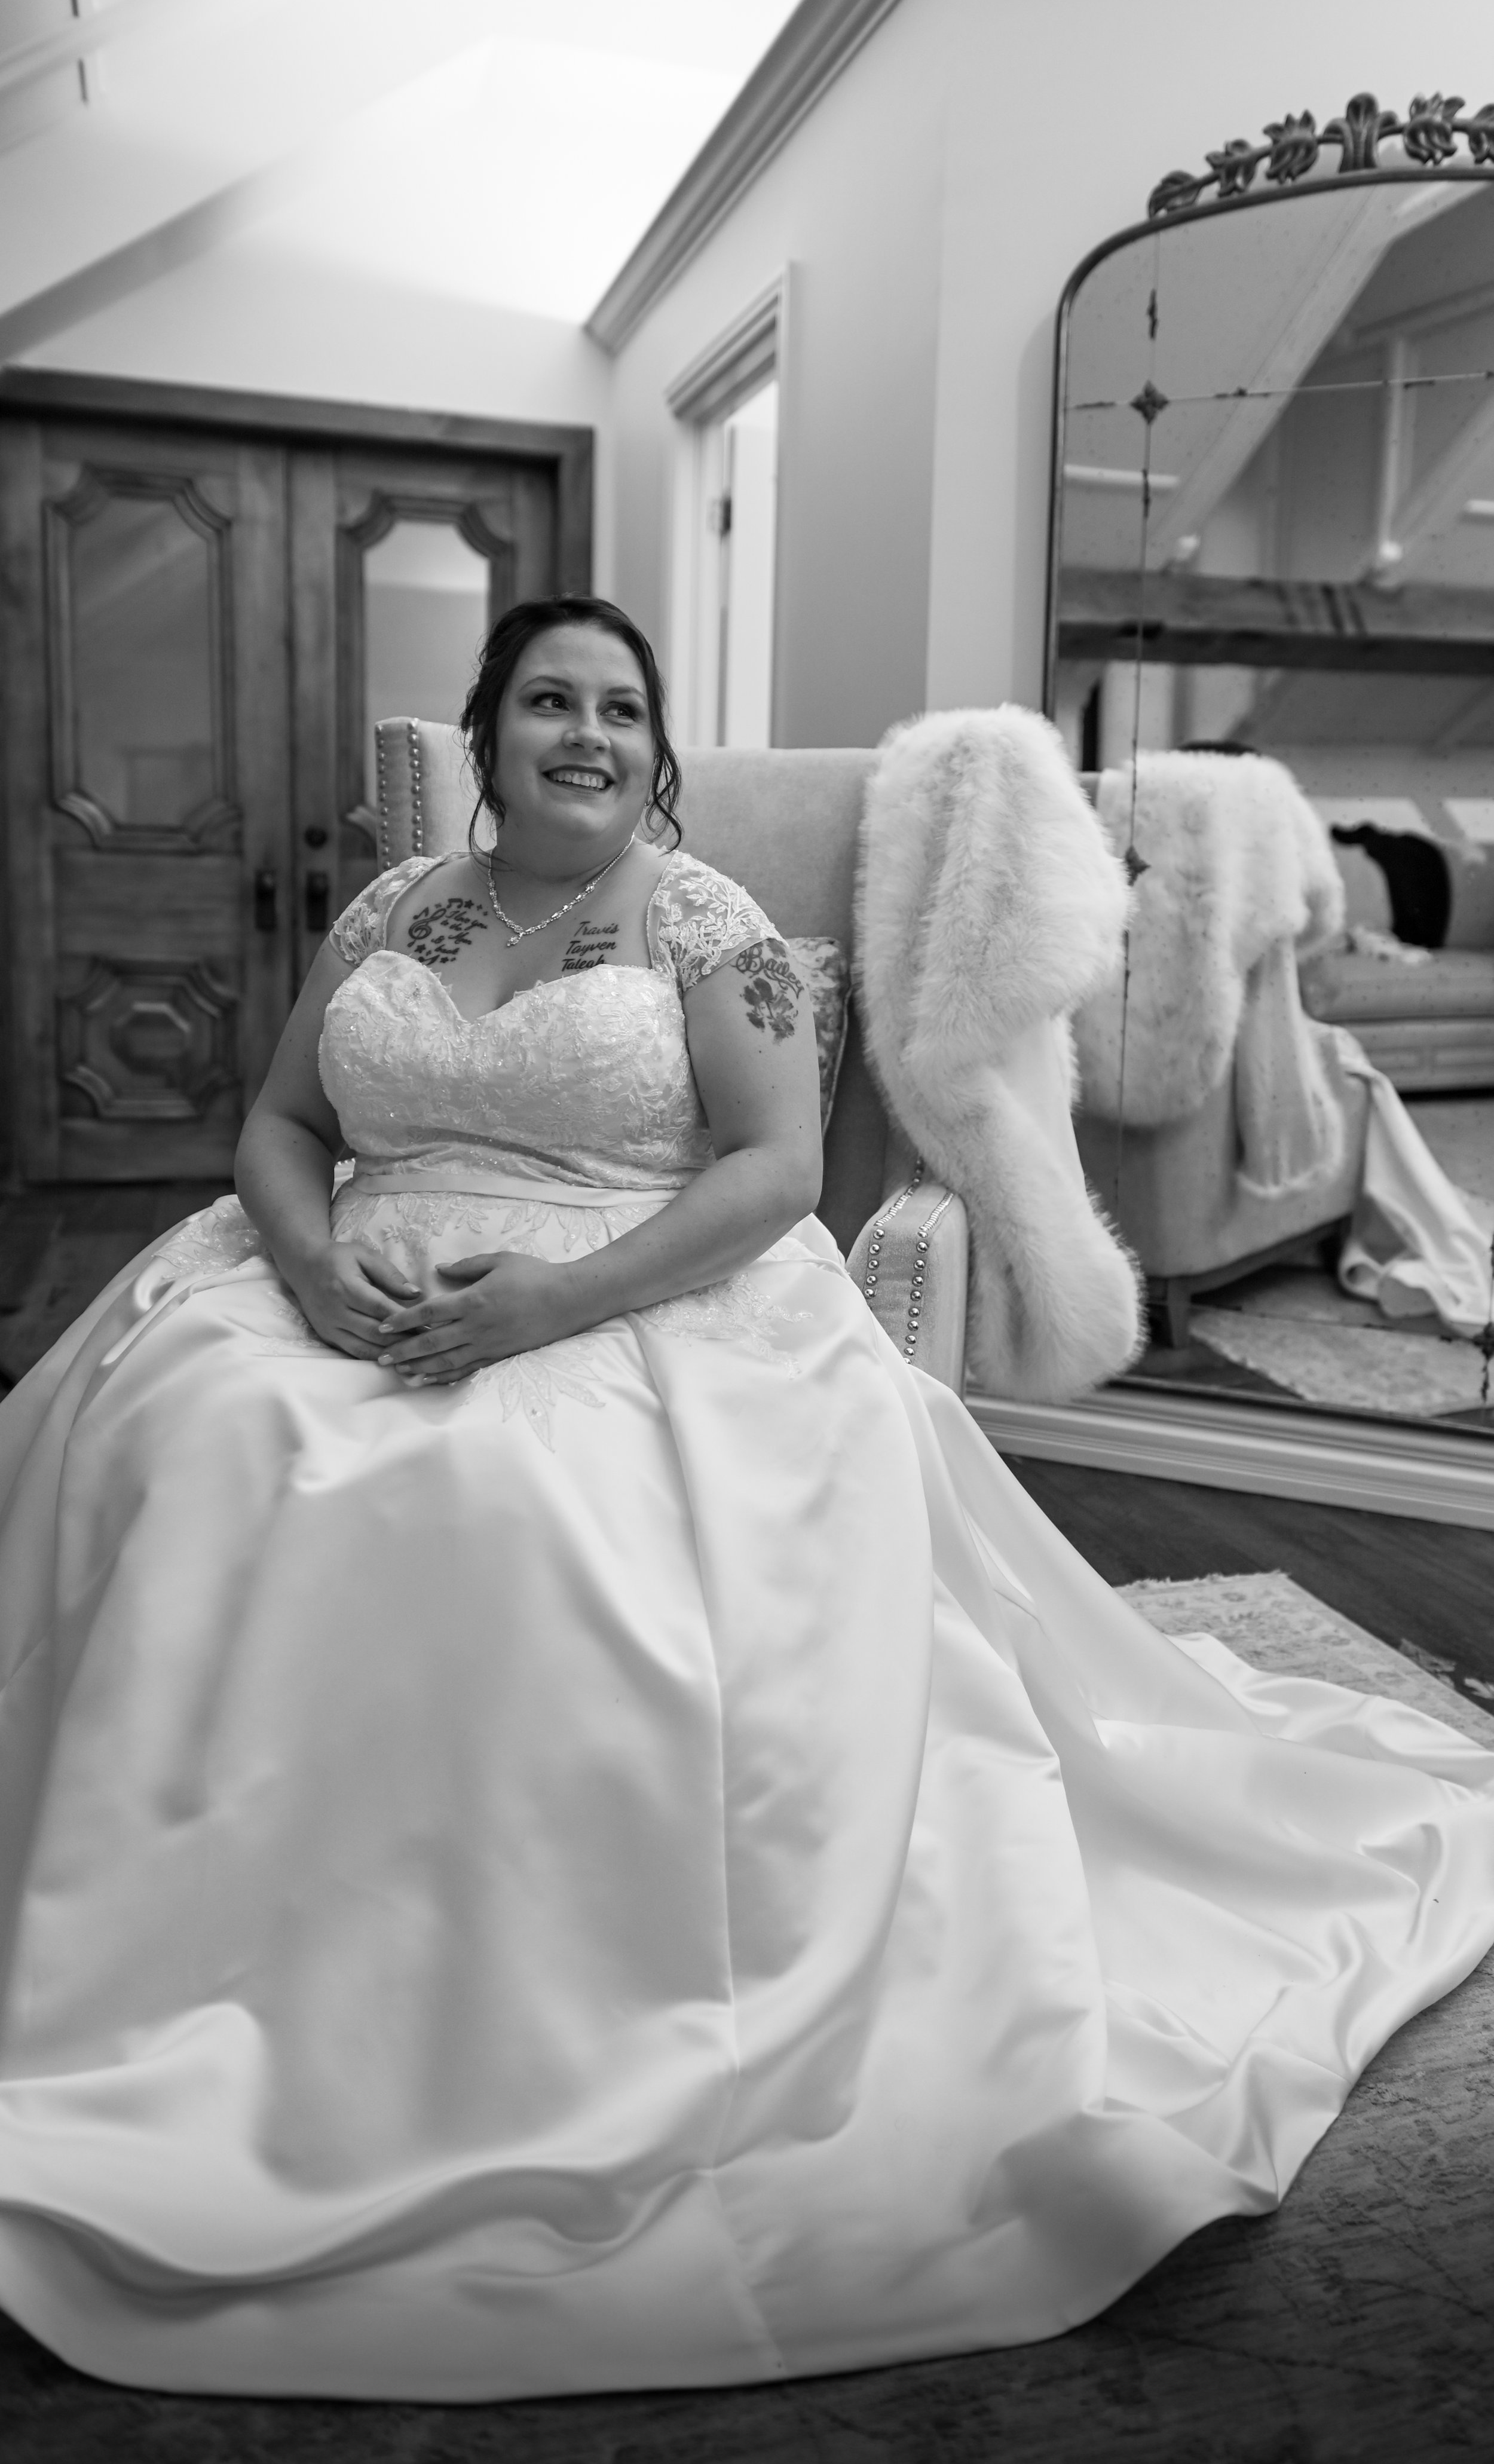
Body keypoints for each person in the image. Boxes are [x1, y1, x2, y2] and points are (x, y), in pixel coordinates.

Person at [0, 596, 1490, 2403]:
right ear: (487, 735)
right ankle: (175, 1966)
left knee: (507, 1509)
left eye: (619, 710)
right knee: (198, 1432)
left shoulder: (710, 927)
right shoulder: (392, 912)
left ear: (656, 750)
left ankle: (503, 1998)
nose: (586, 734)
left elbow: (779, 1171)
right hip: (342, 1272)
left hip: (633, 1281)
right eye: (548, 701)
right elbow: (279, 1126)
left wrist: (552, 1299)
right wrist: (309, 1271)